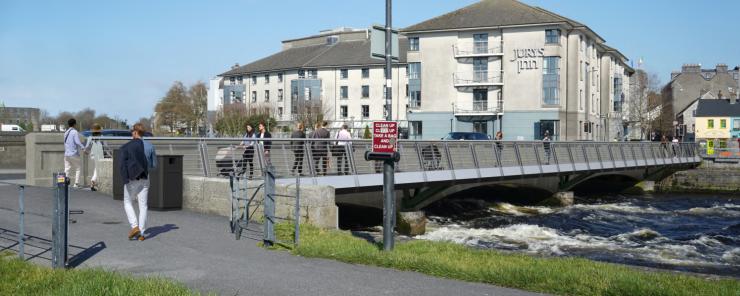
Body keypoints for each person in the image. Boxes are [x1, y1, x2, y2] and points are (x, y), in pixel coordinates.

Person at [118, 123, 157, 241]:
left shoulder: (129, 146)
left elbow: (122, 164)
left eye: (132, 132)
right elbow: (154, 165)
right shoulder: (150, 146)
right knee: (143, 205)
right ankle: (142, 232)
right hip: (145, 177)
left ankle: (135, 227)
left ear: (135, 132)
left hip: (132, 178)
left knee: (127, 202)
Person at [63, 118, 86, 188]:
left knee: (67, 169)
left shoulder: (66, 132)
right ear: (74, 124)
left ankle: (65, 183)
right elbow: (77, 142)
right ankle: (76, 184)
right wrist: (83, 148)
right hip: (73, 153)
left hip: (66, 154)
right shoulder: (74, 132)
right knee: (78, 168)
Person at [84, 123, 106, 191]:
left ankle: (94, 184)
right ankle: (93, 181)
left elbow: (87, 147)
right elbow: (106, 146)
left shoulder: (90, 138)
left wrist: (86, 151)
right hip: (100, 155)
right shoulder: (102, 137)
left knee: (96, 168)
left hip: (93, 155)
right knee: (97, 169)